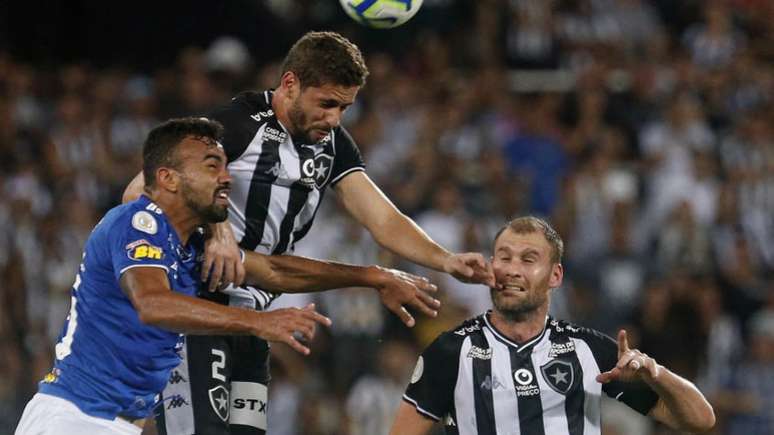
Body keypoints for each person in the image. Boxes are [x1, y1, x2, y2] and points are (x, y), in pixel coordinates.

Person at [123, 31, 494, 435]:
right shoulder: (238, 123)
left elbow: (384, 220)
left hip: (253, 318)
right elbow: (137, 192)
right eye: (327, 104)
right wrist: (216, 229)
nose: (334, 118)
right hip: (198, 305)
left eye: (344, 108)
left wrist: (446, 260)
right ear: (290, 85)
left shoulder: (333, 145)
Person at [14, 117, 439, 435]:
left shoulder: (190, 248)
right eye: (212, 165)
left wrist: (372, 275)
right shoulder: (136, 221)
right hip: (71, 419)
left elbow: (274, 269)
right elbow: (153, 304)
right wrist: (260, 322)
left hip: (117, 424)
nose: (226, 176)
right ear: (168, 178)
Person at [390, 216, 716, 435]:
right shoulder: (451, 351)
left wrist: (654, 372)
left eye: (528, 260)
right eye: (503, 257)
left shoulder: (589, 350)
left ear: (555, 276)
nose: (512, 269)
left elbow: (701, 420)